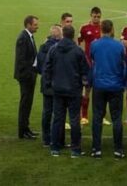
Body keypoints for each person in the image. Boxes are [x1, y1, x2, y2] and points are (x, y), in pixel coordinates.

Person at [44, 24, 88, 158]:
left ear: (63, 34)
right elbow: (85, 71)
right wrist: (84, 84)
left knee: (58, 118)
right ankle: (75, 149)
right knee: (74, 119)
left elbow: (47, 68)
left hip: (58, 89)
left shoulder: (54, 49)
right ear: (73, 35)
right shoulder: (78, 51)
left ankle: (55, 147)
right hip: (74, 90)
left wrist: (50, 84)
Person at [88, 19, 127, 159]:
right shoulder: (119, 45)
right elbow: (125, 64)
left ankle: (96, 149)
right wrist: (123, 81)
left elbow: (92, 60)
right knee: (117, 118)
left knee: (97, 117)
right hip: (116, 86)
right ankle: (118, 150)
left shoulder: (94, 45)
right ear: (111, 30)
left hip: (99, 85)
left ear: (100, 29)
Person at [14, 15, 40, 140]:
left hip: (30, 75)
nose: (37, 26)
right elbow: (21, 60)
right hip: (26, 77)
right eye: (35, 24)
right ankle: (22, 131)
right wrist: (29, 74)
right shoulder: (23, 38)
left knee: (28, 103)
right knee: (25, 103)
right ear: (28, 25)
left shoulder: (28, 36)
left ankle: (26, 128)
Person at [36, 24, 62, 147]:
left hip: (46, 83)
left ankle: (46, 139)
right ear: (58, 36)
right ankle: (57, 140)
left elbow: (39, 66)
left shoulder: (43, 47)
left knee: (47, 112)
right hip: (57, 83)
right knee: (58, 112)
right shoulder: (58, 48)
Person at [77, 7, 102, 126]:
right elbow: (78, 41)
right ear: (91, 16)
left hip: (101, 64)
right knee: (87, 89)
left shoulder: (104, 27)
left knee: (101, 91)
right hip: (88, 64)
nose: (96, 18)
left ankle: (101, 116)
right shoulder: (84, 28)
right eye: (94, 16)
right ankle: (84, 116)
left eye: (98, 16)